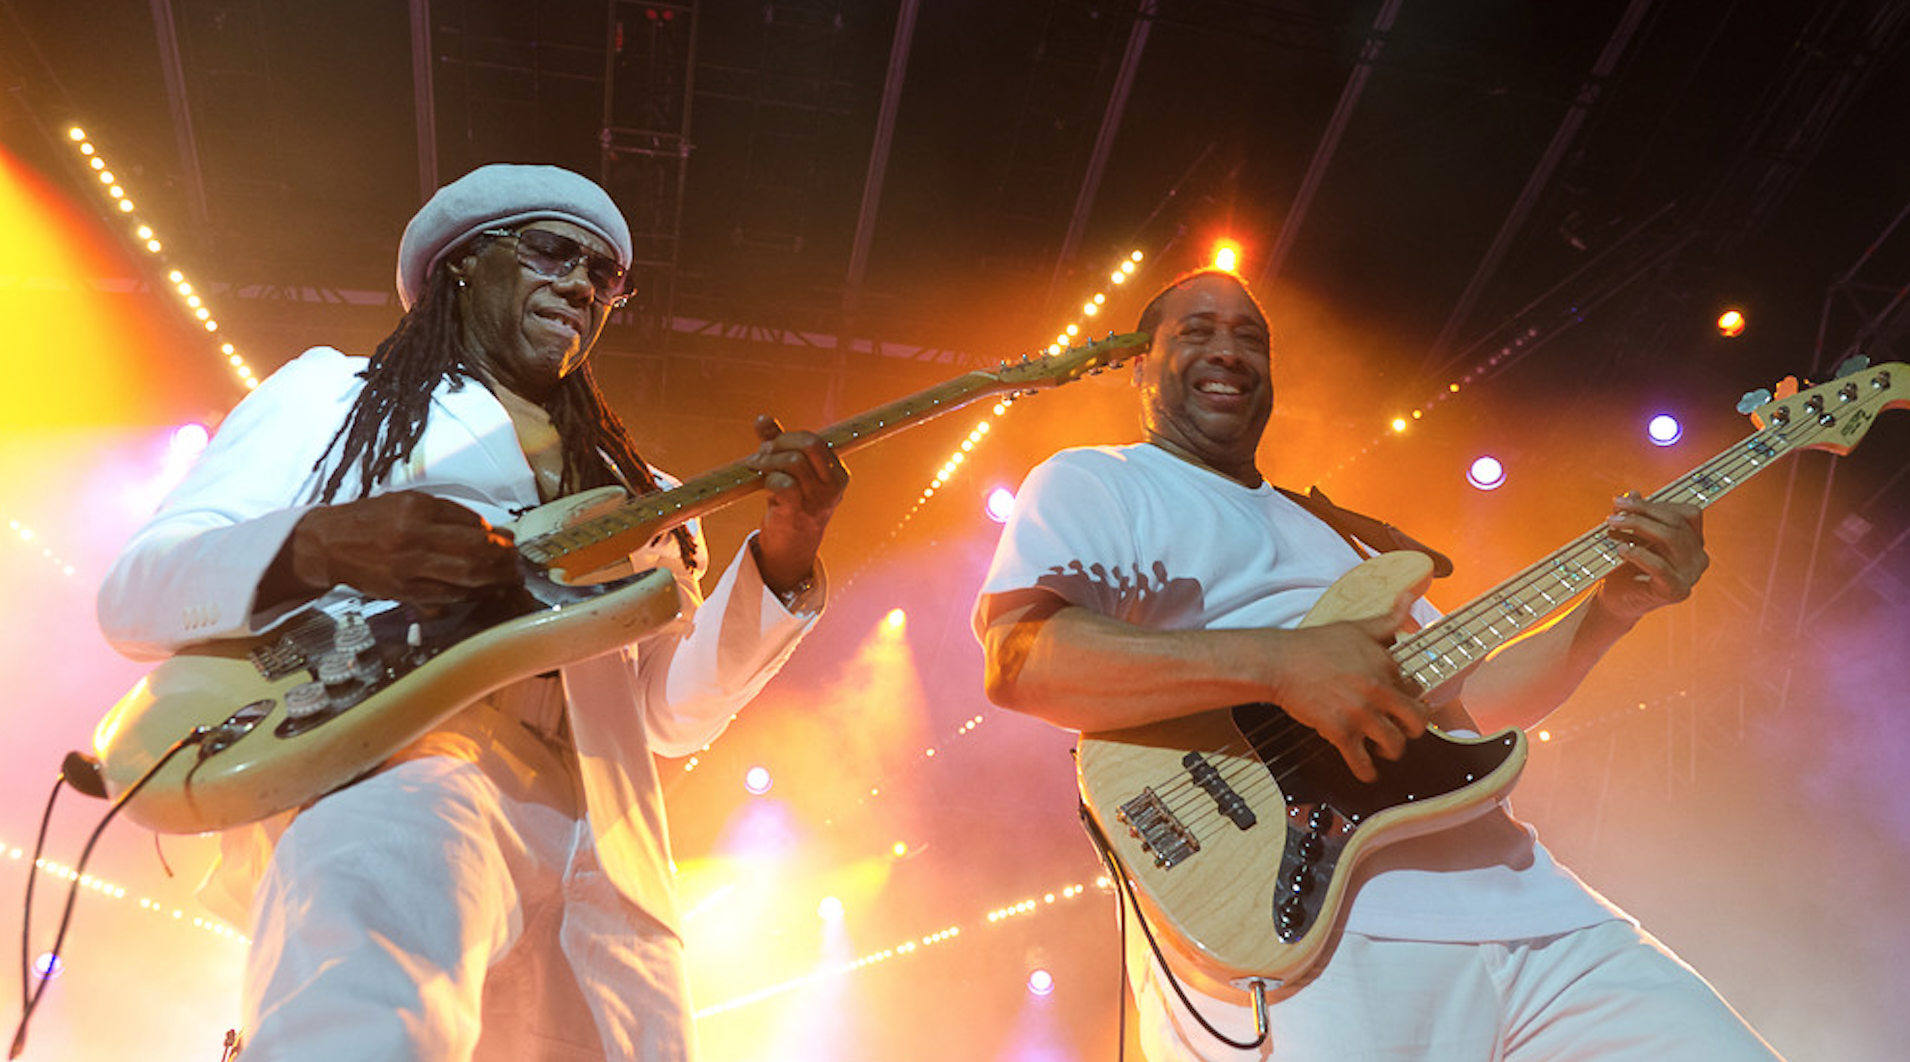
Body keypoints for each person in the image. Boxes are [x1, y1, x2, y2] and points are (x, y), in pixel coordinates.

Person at [96, 164, 849, 1061]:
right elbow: (137, 589)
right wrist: (330, 543)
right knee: (369, 1033)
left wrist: (785, 558)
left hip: (605, 848)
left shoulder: (640, 493)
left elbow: (664, 715)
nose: (581, 284)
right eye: (551, 251)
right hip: (405, 762)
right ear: (460, 263)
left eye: (605, 276)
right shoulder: (337, 397)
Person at [972, 268, 1784, 1061]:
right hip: (1314, 936)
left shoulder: (1351, 538)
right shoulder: (1098, 481)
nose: (1230, 350)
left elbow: (1478, 701)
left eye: (1251, 337)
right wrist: (1283, 664)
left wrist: (1609, 612)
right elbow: (1025, 660)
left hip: (1535, 913)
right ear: (1140, 367)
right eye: (1196, 332)